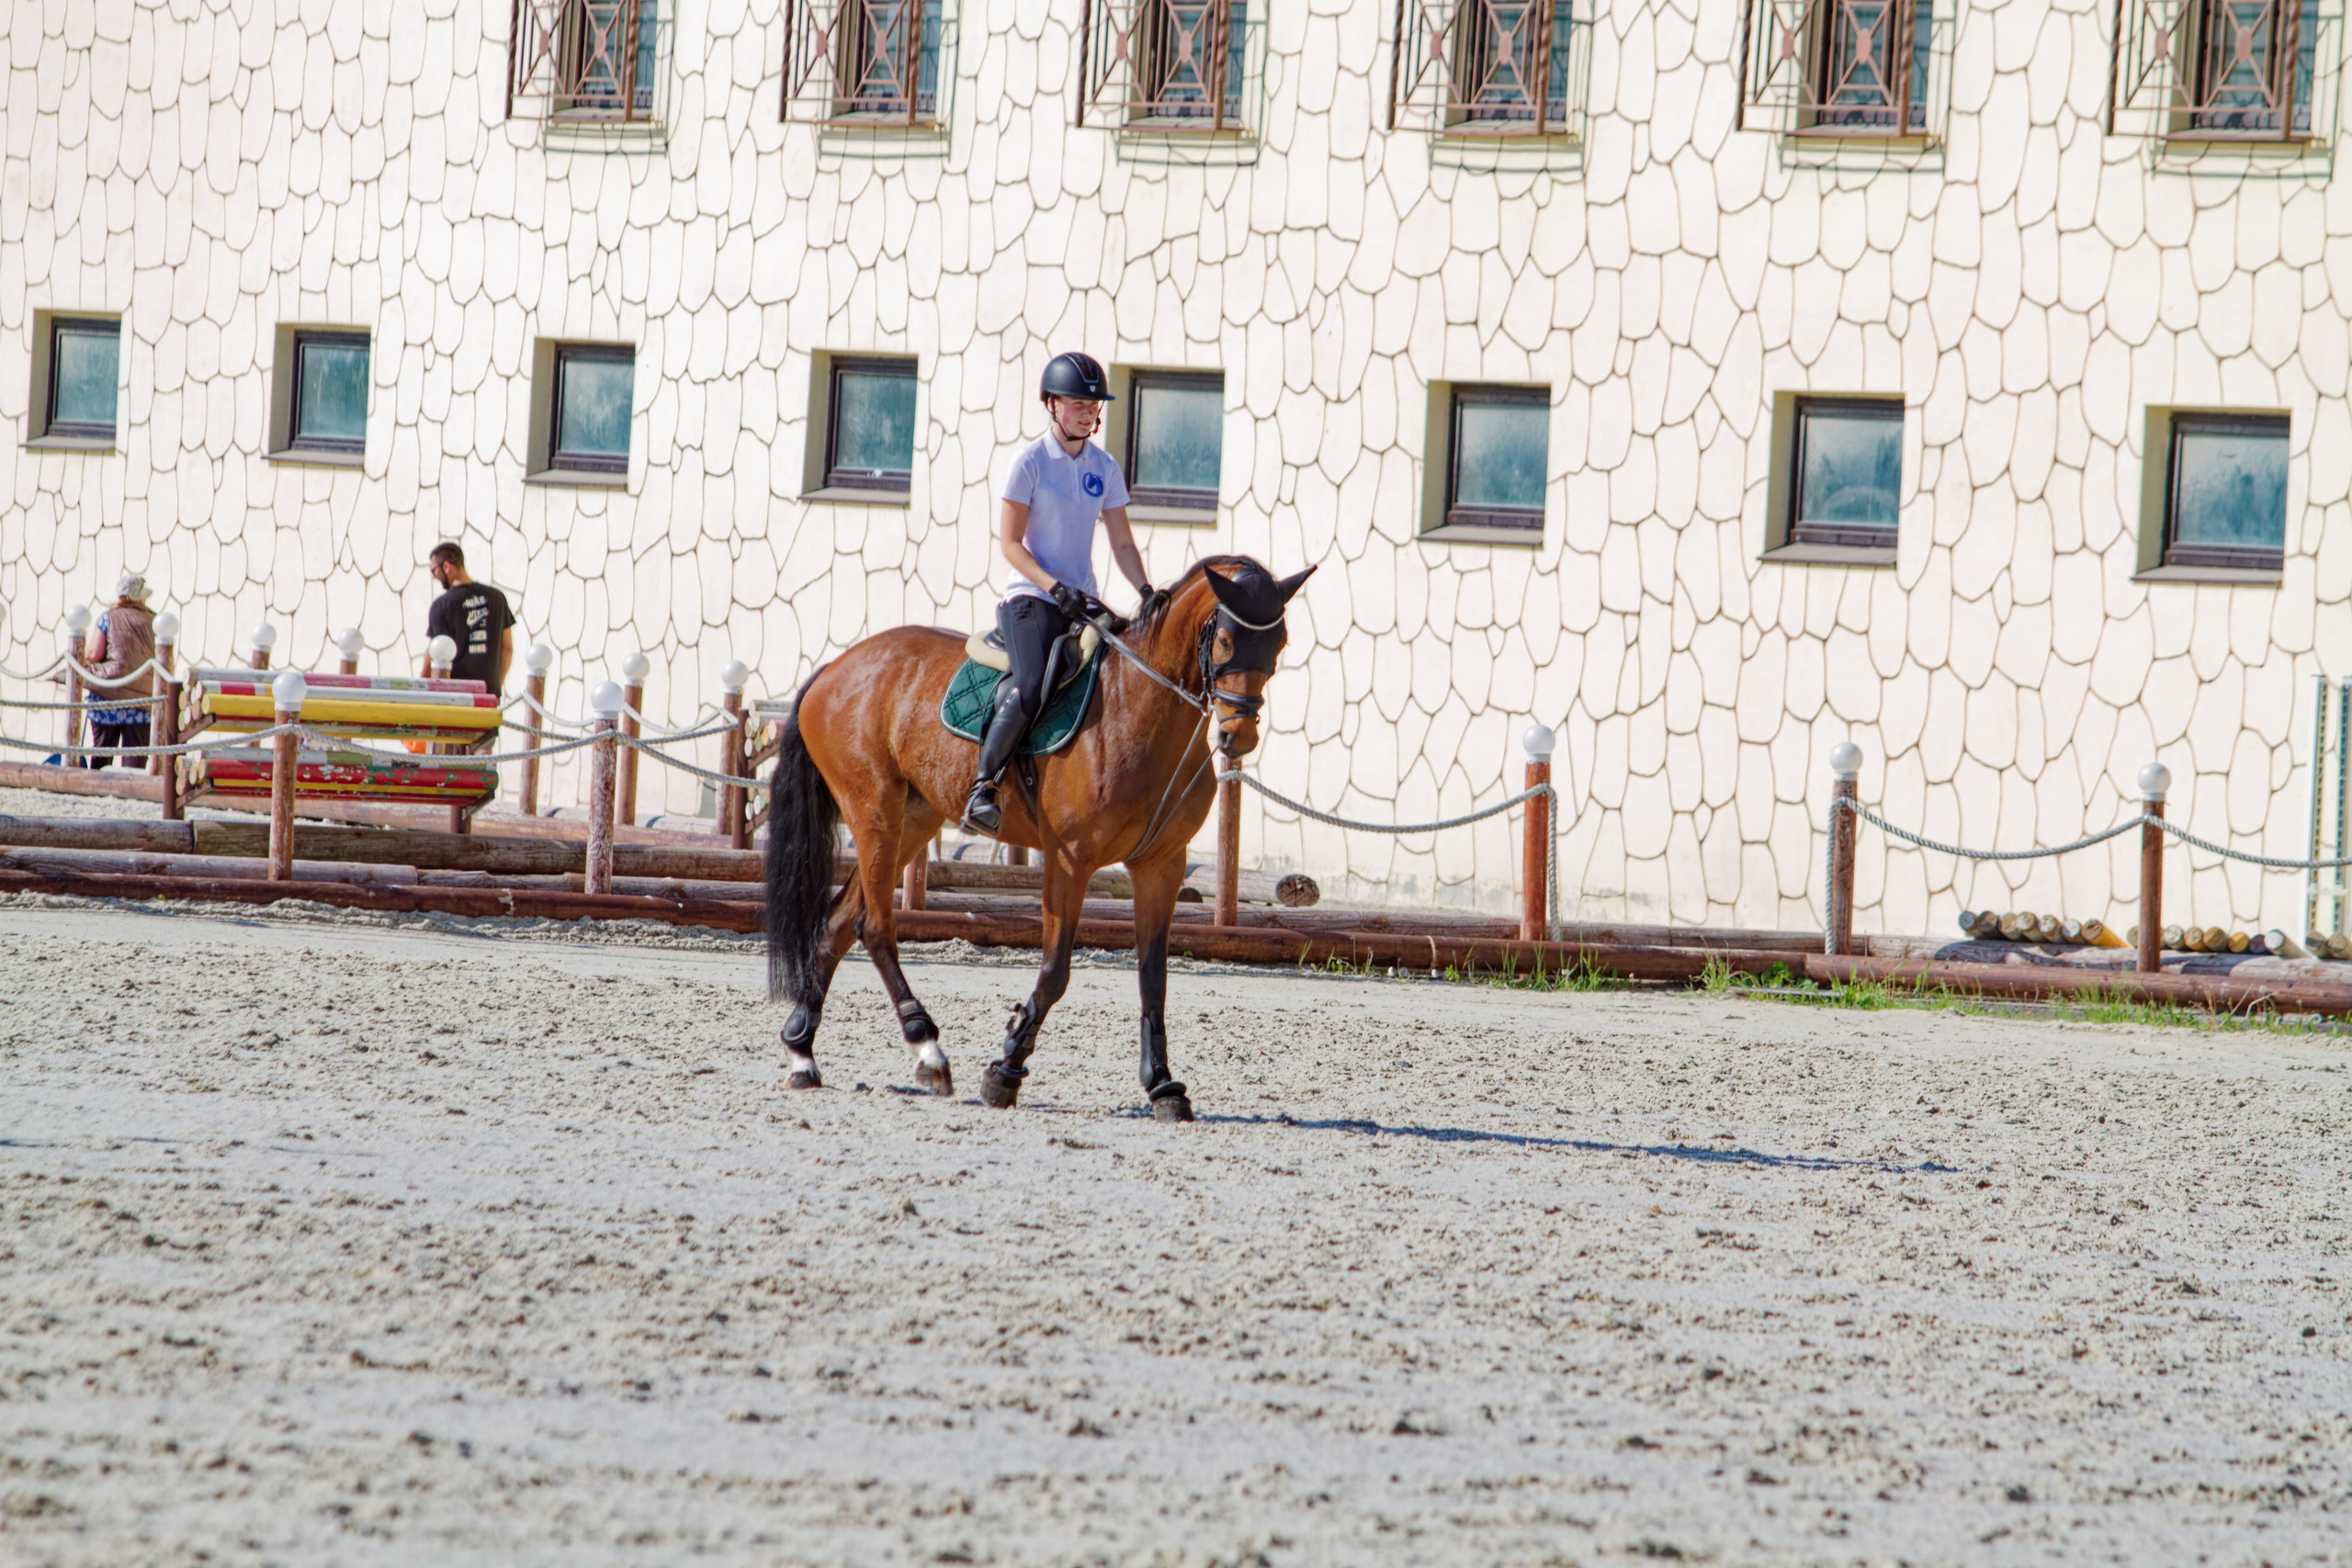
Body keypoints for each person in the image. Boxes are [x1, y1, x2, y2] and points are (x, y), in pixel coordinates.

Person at [964, 351, 1165, 834]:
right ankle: (983, 787)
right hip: (1031, 599)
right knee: (1034, 684)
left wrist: (1145, 589)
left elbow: (1120, 540)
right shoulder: (1029, 462)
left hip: (1085, 601)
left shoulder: (1105, 466)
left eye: (1094, 405)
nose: (1088, 412)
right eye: (1077, 403)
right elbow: (1010, 545)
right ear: (1051, 405)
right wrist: (1054, 586)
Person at [79, 573, 159, 767]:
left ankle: (97, 790)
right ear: (139, 598)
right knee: (135, 759)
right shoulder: (155, 621)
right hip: (142, 700)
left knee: (102, 754)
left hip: (108, 696)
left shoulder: (108, 618)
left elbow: (93, 655)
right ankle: (133, 794)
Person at [422, 542, 514, 692]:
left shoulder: (441, 606)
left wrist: (421, 691)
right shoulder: (497, 598)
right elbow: (507, 648)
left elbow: (435, 653)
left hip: (454, 698)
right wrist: (496, 687)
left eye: (434, 570)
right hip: (487, 696)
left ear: (446, 566)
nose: (433, 576)